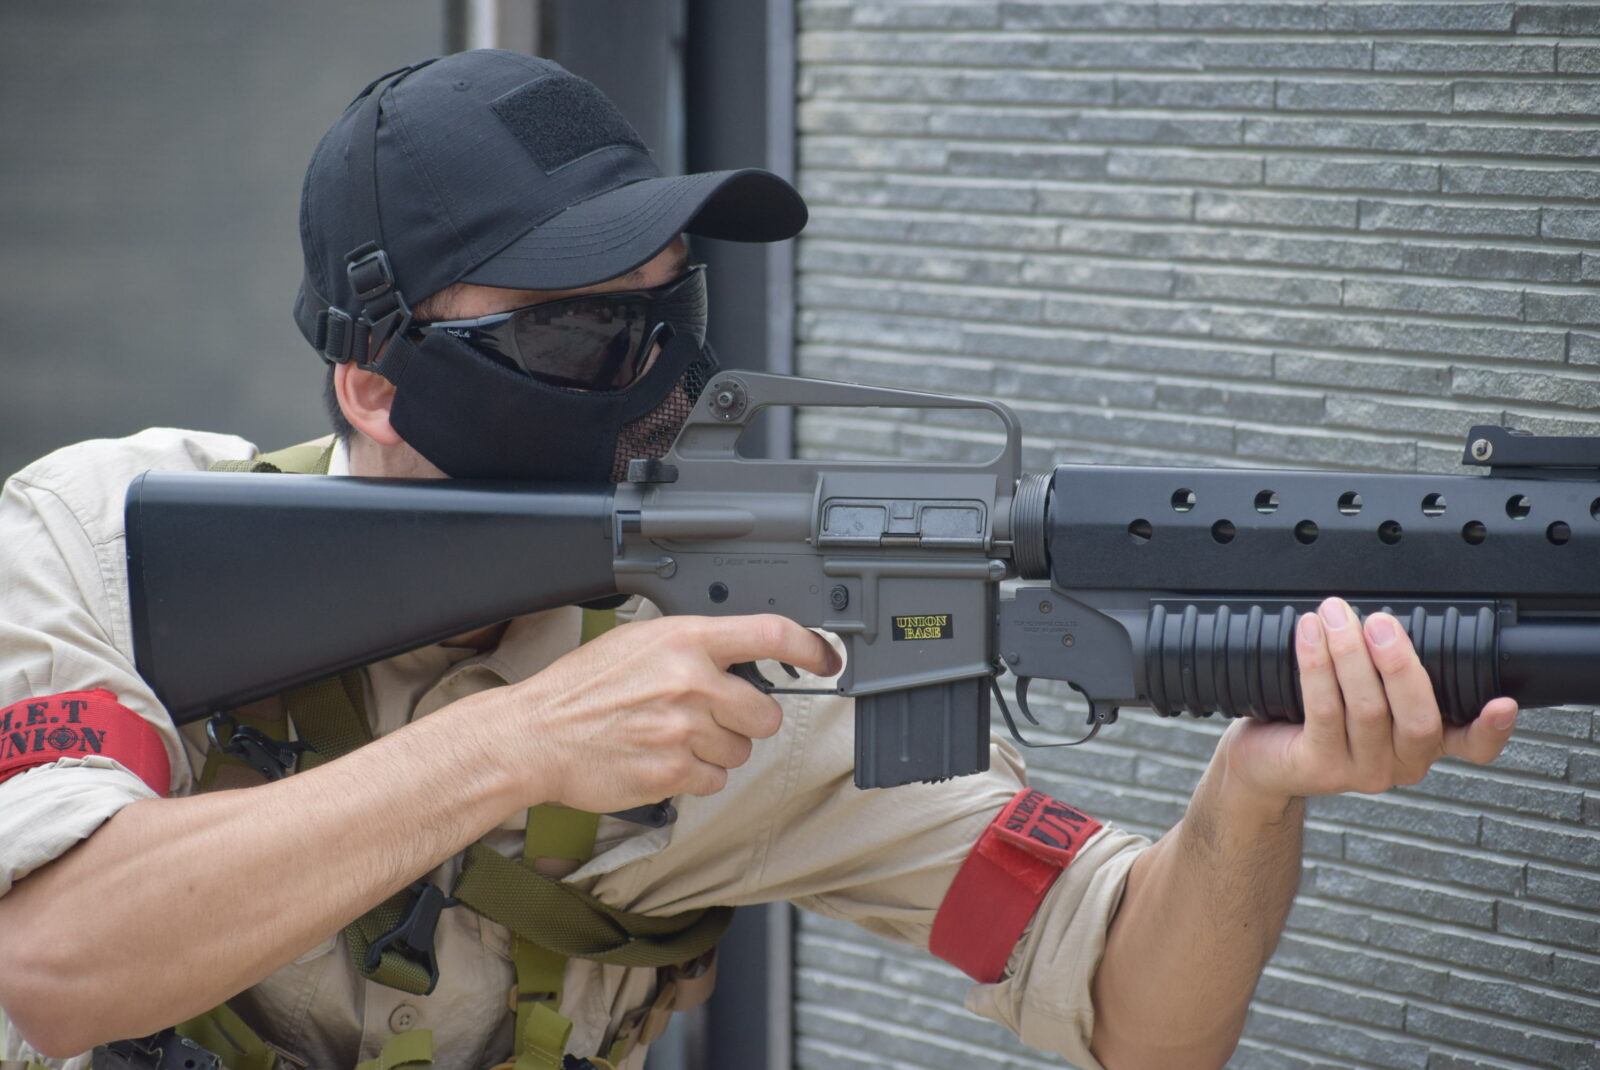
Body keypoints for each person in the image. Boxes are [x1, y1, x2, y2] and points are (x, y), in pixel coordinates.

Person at [0, 50, 1518, 1070]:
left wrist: (1252, 795)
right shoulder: (105, 540)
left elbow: (1139, 1011)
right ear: (375, 385)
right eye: (583, 335)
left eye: (674, 314)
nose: (659, 378)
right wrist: (517, 741)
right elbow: (58, 959)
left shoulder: (748, 660)